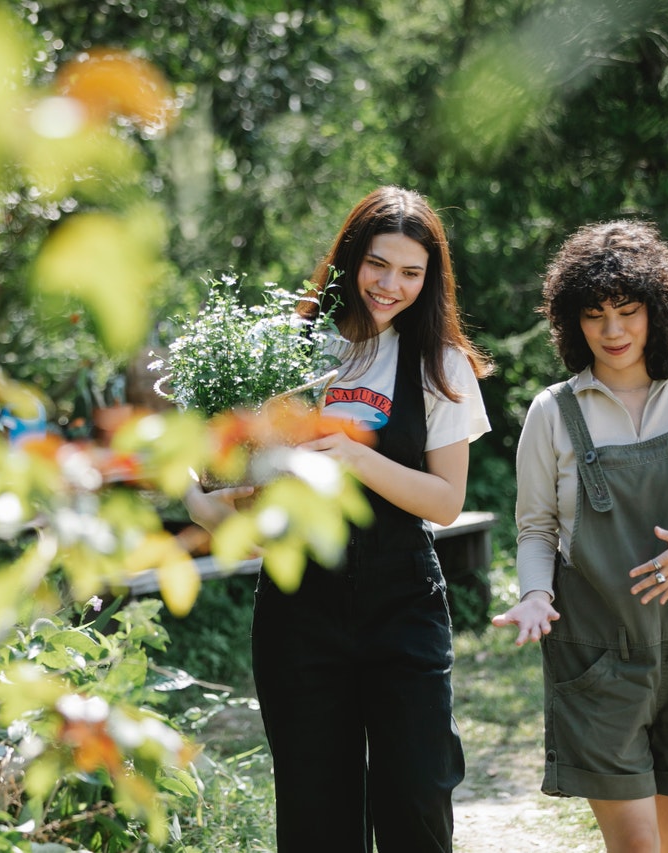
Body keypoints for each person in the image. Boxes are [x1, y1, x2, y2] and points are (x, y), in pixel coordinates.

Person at [185, 185, 493, 852]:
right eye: (378, 264)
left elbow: (444, 502)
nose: (391, 285)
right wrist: (203, 495)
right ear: (351, 257)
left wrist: (355, 457)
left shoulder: (441, 365)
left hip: (403, 601)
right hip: (301, 607)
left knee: (416, 802)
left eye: (412, 273)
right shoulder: (282, 351)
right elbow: (226, 492)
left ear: (430, 278)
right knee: (315, 816)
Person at [491, 220, 668, 852]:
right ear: (571, 322)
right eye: (593, 315)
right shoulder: (552, 412)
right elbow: (535, 529)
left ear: (657, 310)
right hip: (595, 659)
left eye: (628, 310)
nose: (612, 332)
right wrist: (535, 594)